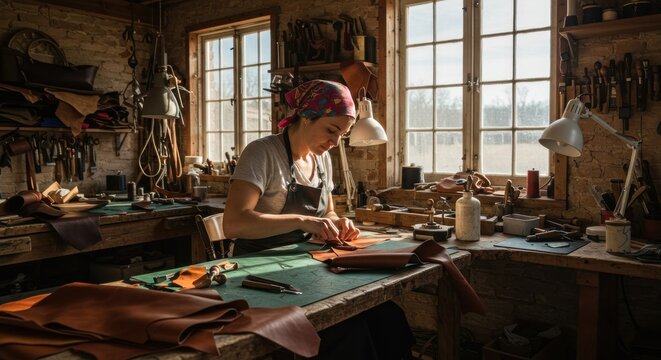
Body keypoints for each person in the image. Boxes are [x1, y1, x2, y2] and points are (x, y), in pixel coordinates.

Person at [223, 80, 414, 359]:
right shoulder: (262, 153)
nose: (335, 142)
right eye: (331, 130)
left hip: (304, 264)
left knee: (387, 316)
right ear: (305, 116)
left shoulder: (321, 160)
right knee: (348, 327)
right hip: (257, 270)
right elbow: (234, 223)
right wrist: (301, 220)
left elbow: (327, 212)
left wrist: (338, 222)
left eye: (343, 135)